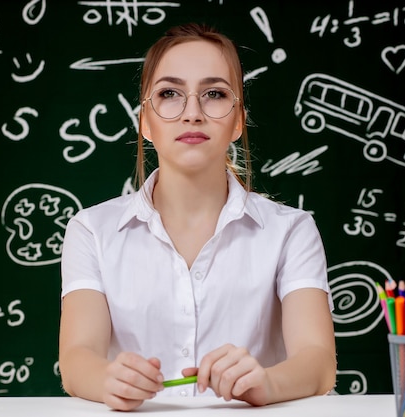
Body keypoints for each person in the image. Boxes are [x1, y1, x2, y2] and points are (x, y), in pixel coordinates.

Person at [59, 23, 336, 411]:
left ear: (238, 121)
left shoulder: (291, 231)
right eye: (170, 93)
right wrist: (108, 380)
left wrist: (266, 382)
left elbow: (319, 362)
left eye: (215, 94)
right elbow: (76, 360)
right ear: (145, 121)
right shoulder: (91, 230)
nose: (192, 112)